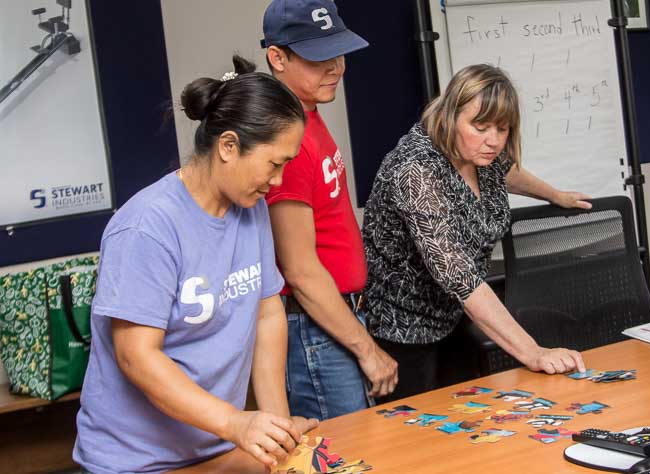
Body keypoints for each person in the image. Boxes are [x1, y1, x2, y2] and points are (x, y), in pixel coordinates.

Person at [73, 56, 317, 473]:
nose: (277, 180)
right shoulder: (146, 228)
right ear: (228, 146)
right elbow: (136, 356)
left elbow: (266, 314)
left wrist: (277, 426)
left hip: (216, 449)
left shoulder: (250, 205)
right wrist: (234, 422)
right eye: (274, 163)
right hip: (136, 462)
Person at [362, 64, 589, 401]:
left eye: (503, 128)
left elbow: (506, 171)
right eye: (480, 127)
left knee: (474, 422)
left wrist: (553, 194)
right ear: (452, 116)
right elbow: (460, 277)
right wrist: (533, 352)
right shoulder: (415, 171)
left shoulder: (482, 153)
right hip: (404, 331)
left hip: (454, 320)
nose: (493, 141)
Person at [260, 0, 398, 420]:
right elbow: (299, 270)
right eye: (319, 57)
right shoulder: (288, 142)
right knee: (343, 452)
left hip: (337, 314)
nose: (336, 67)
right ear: (277, 58)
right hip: (313, 325)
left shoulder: (310, 115)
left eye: (337, 52)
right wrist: (367, 349)